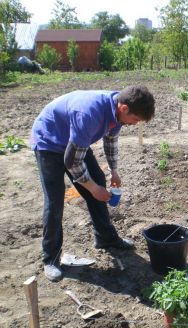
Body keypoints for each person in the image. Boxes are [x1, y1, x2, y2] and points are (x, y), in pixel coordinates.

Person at [31, 85, 155, 282]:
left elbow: (111, 140)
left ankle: (105, 237)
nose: (135, 123)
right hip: (50, 142)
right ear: (124, 109)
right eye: (136, 119)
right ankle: (50, 258)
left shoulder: (118, 109)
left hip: (75, 141)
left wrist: (114, 170)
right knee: (55, 202)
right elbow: (71, 162)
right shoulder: (89, 114)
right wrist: (92, 188)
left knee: (98, 179)